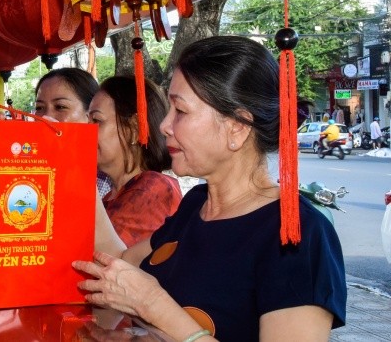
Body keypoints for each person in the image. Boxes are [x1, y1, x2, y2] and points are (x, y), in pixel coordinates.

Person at [74, 36, 346, 342]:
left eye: (180, 111)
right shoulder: (197, 204)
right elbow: (120, 266)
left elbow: (151, 302)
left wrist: (154, 306)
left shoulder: (297, 234)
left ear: (237, 128)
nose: (164, 125)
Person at [89, 76, 181, 247]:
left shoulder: (154, 189)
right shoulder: (113, 194)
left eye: (96, 121)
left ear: (133, 130)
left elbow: (107, 261)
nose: (87, 131)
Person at [33, 68, 113, 196]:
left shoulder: (109, 179)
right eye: (39, 108)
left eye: (60, 107)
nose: (45, 118)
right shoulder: (28, 164)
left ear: (91, 115)